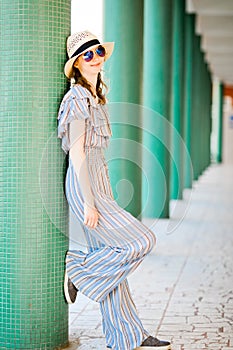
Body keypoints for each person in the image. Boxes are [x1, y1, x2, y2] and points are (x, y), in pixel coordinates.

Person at [57, 30, 171, 350]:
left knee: (115, 265)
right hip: (84, 185)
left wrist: (102, 192)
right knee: (141, 240)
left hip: (99, 183)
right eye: (87, 55)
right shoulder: (77, 98)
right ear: (76, 64)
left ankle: (127, 336)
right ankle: (77, 271)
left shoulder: (95, 97)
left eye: (98, 52)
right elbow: (78, 153)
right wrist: (91, 201)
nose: (95, 58)